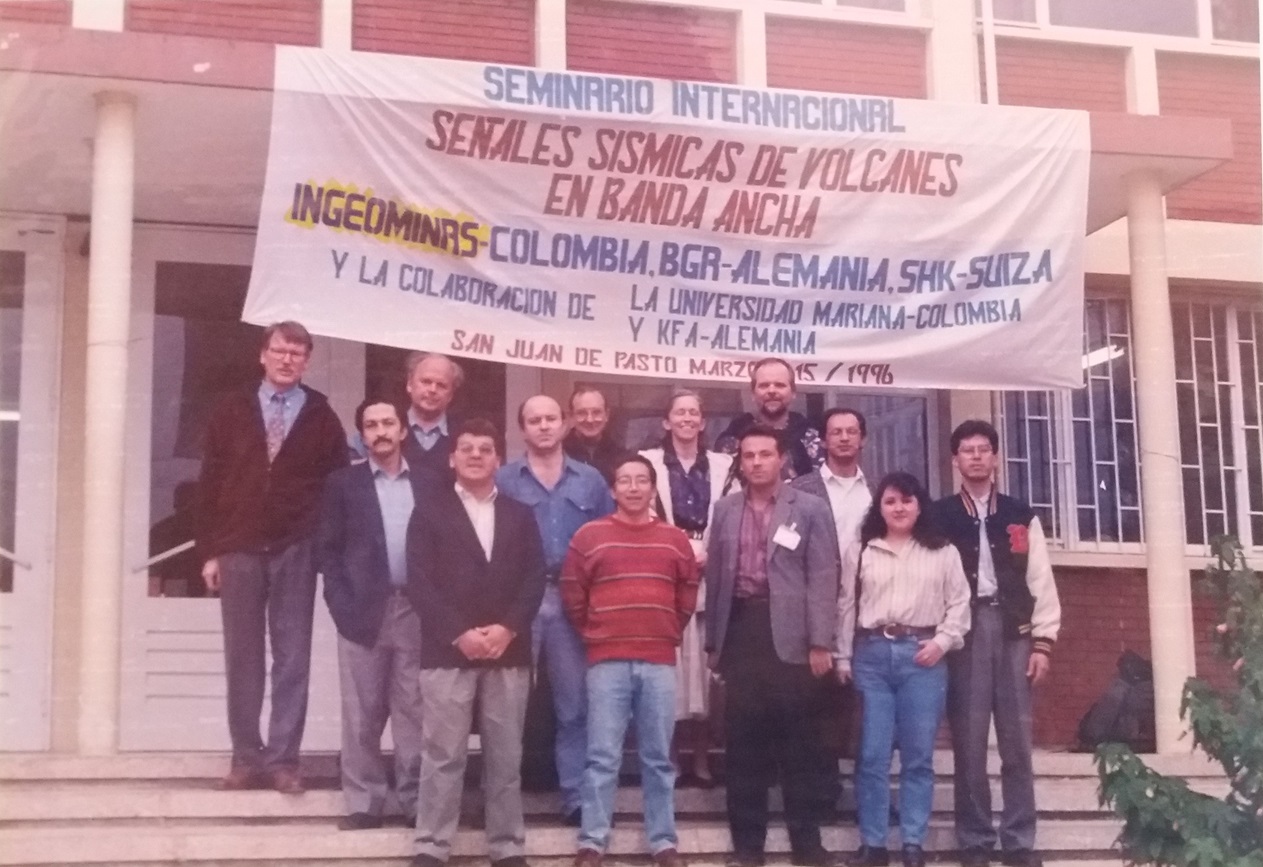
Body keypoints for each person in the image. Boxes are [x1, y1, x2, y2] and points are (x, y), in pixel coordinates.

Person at [195, 320, 348, 794]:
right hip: (238, 547)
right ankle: (245, 758)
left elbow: (337, 488)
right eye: (280, 350)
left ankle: (284, 761)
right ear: (263, 355)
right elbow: (209, 484)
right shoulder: (232, 408)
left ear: (306, 361)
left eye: (297, 353)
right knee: (242, 657)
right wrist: (210, 551)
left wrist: (320, 547)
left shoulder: (321, 415)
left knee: (292, 657)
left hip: (295, 549)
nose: (287, 360)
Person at [406, 418, 547, 867]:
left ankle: (506, 847)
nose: (475, 455)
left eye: (485, 449)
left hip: (509, 651)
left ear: (497, 460)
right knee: (443, 755)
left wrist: (507, 629)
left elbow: (533, 578)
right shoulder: (429, 510)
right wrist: (460, 632)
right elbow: (420, 580)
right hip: (447, 650)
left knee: (505, 758)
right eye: (466, 448)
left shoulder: (520, 513)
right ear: (452, 458)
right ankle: (431, 845)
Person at [705, 425, 840, 867]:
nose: (757, 462)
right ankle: (747, 847)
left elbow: (824, 577)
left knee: (799, 745)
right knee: (744, 747)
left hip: (794, 638)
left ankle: (807, 844)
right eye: (748, 455)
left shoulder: (811, 508)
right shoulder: (724, 510)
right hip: (742, 631)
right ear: (739, 462)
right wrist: (714, 642)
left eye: (765, 454)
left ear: (782, 459)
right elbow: (718, 578)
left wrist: (821, 641)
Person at [932, 420, 1061, 867]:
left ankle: (1020, 839)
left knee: (1016, 741)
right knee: (968, 742)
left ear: (995, 456)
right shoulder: (941, 515)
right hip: (964, 633)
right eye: (966, 450)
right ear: (955, 460)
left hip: (1013, 632)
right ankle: (974, 839)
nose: (976, 457)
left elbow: (1039, 577)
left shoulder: (1019, 514)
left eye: (983, 449)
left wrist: (1043, 642)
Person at [562, 454, 699, 867]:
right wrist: (598, 632)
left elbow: (687, 593)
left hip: (658, 660)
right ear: (613, 489)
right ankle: (593, 840)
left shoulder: (674, 539)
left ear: (654, 488)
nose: (634, 488)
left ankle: (662, 841)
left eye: (642, 480)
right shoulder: (589, 537)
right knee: (602, 755)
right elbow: (572, 592)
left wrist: (666, 630)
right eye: (625, 480)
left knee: (658, 757)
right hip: (607, 661)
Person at [836, 472, 971, 867]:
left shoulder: (942, 550)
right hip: (872, 657)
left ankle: (913, 843)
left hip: (922, 658)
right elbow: (846, 605)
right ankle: (874, 845)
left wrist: (941, 642)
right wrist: (843, 656)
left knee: (917, 756)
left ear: (919, 505)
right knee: (872, 755)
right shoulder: (862, 550)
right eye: (890, 501)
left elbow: (960, 604)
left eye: (907, 501)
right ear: (879, 507)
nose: (899, 508)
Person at [497, 395, 616, 825]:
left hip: (572, 599)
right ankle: (503, 801)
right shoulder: (504, 480)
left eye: (550, 419)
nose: (544, 426)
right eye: (534, 420)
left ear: (563, 424)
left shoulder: (591, 481)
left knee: (575, 705)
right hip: (518, 599)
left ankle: (576, 798)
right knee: (508, 705)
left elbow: (609, 540)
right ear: (522, 429)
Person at [317, 397, 427, 829]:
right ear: (361, 435)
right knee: (361, 712)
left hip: (415, 610)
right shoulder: (342, 484)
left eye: (388, 422)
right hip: (363, 611)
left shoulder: (431, 482)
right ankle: (364, 802)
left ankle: (416, 801)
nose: (380, 431)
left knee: (414, 711)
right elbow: (328, 551)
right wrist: (341, 606)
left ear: (403, 430)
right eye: (370, 425)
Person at [640, 388, 737, 787]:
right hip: (666, 573)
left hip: (711, 574)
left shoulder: (724, 465)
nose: (686, 419)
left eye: (693, 413)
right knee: (671, 675)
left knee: (703, 674)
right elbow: (642, 509)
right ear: (666, 421)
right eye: (678, 412)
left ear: (702, 422)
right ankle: (669, 758)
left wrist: (709, 552)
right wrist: (678, 551)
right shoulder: (648, 463)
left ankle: (700, 759)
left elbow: (733, 513)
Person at [791, 407, 874, 804]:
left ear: (862, 439)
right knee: (814, 703)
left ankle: (865, 793)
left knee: (860, 702)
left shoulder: (876, 492)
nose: (843, 438)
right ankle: (819, 791)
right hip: (815, 604)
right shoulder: (801, 489)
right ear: (823, 440)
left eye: (851, 431)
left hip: (866, 605)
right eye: (835, 432)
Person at [715, 357, 822, 480]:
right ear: (753, 394)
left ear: (793, 393)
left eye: (779, 385)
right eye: (764, 385)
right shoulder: (732, 439)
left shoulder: (813, 438)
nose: (771, 391)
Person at [563, 385, 622, 485]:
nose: (590, 419)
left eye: (596, 412)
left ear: (606, 415)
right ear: (571, 416)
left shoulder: (621, 456)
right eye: (582, 413)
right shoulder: (558, 454)